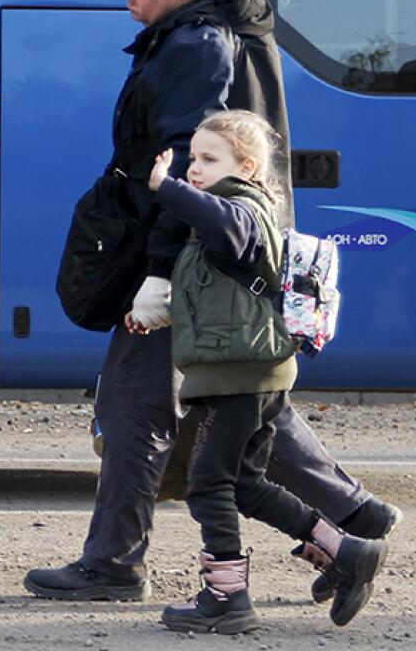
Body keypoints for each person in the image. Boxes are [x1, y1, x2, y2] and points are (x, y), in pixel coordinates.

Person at [25, 0, 398, 603]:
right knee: (240, 396)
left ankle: (114, 564)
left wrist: (160, 276)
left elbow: (184, 169)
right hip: (214, 256)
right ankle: (355, 516)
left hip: (196, 258)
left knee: (139, 403)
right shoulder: (205, 33)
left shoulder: (197, 46)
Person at [145, 112, 386, 633]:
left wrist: (166, 187)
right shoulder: (222, 213)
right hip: (244, 372)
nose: (195, 168)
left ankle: (226, 596)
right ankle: (344, 551)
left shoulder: (242, 209)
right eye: (193, 157)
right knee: (247, 485)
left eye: (210, 159)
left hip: (241, 377)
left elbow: (228, 229)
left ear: (248, 168)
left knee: (207, 485)